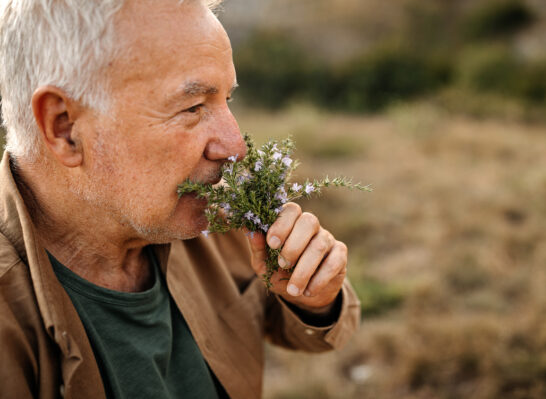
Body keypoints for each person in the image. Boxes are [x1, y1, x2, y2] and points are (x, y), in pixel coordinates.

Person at [0, 0, 360, 398]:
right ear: (64, 127)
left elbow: (295, 327)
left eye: (227, 100)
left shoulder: (212, 215)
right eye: (193, 107)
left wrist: (313, 297)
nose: (235, 147)